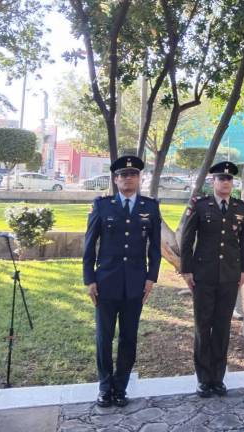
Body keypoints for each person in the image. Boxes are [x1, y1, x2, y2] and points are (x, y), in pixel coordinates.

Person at [83, 156, 161, 407]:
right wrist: (89, 279)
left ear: (139, 179)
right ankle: (105, 387)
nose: (128, 178)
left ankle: (121, 386)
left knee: (129, 337)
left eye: (133, 174)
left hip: (135, 283)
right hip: (106, 282)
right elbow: (89, 246)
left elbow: (155, 248)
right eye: (123, 175)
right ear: (116, 180)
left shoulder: (150, 207)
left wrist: (151, 278)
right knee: (104, 337)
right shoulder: (102, 206)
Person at [181, 161, 244, 398]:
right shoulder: (200, 205)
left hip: (230, 276)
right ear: (213, 181)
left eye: (229, 179)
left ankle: (218, 377)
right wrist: (187, 270)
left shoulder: (241, 208)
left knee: (222, 327)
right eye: (222, 178)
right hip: (203, 275)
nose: (226, 182)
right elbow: (187, 239)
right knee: (203, 326)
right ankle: (203, 378)